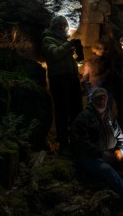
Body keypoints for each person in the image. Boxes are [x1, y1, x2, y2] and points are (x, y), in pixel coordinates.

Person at [70, 87, 123, 213]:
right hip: (91, 156)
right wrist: (101, 154)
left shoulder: (109, 116)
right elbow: (80, 143)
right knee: (107, 170)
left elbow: (120, 136)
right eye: (98, 98)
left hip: (110, 153)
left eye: (104, 98)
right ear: (92, 100)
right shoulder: (84, 118)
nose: (101, 101)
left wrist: (120, 150)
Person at [42, 15, 83, 155]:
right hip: (59, 80)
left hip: (71, 79)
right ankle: (63, 143)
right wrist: (69, 45)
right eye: (59, 25)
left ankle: (76, 141)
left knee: (77, 109)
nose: (62, 27)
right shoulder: (48, 40)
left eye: (63, 25)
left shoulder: (63, 41)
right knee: (62, 111)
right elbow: (54, 54)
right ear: (53, 27)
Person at [80, 39, 115, 109]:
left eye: (104, 48)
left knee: (107, 110)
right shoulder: (90, 62)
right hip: (94, 90)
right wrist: (84, 85)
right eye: (99, 48)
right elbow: (86, 76)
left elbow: (111, 75)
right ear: (95, 49)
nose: (102, 50)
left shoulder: (108, 61)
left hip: (106, 90)